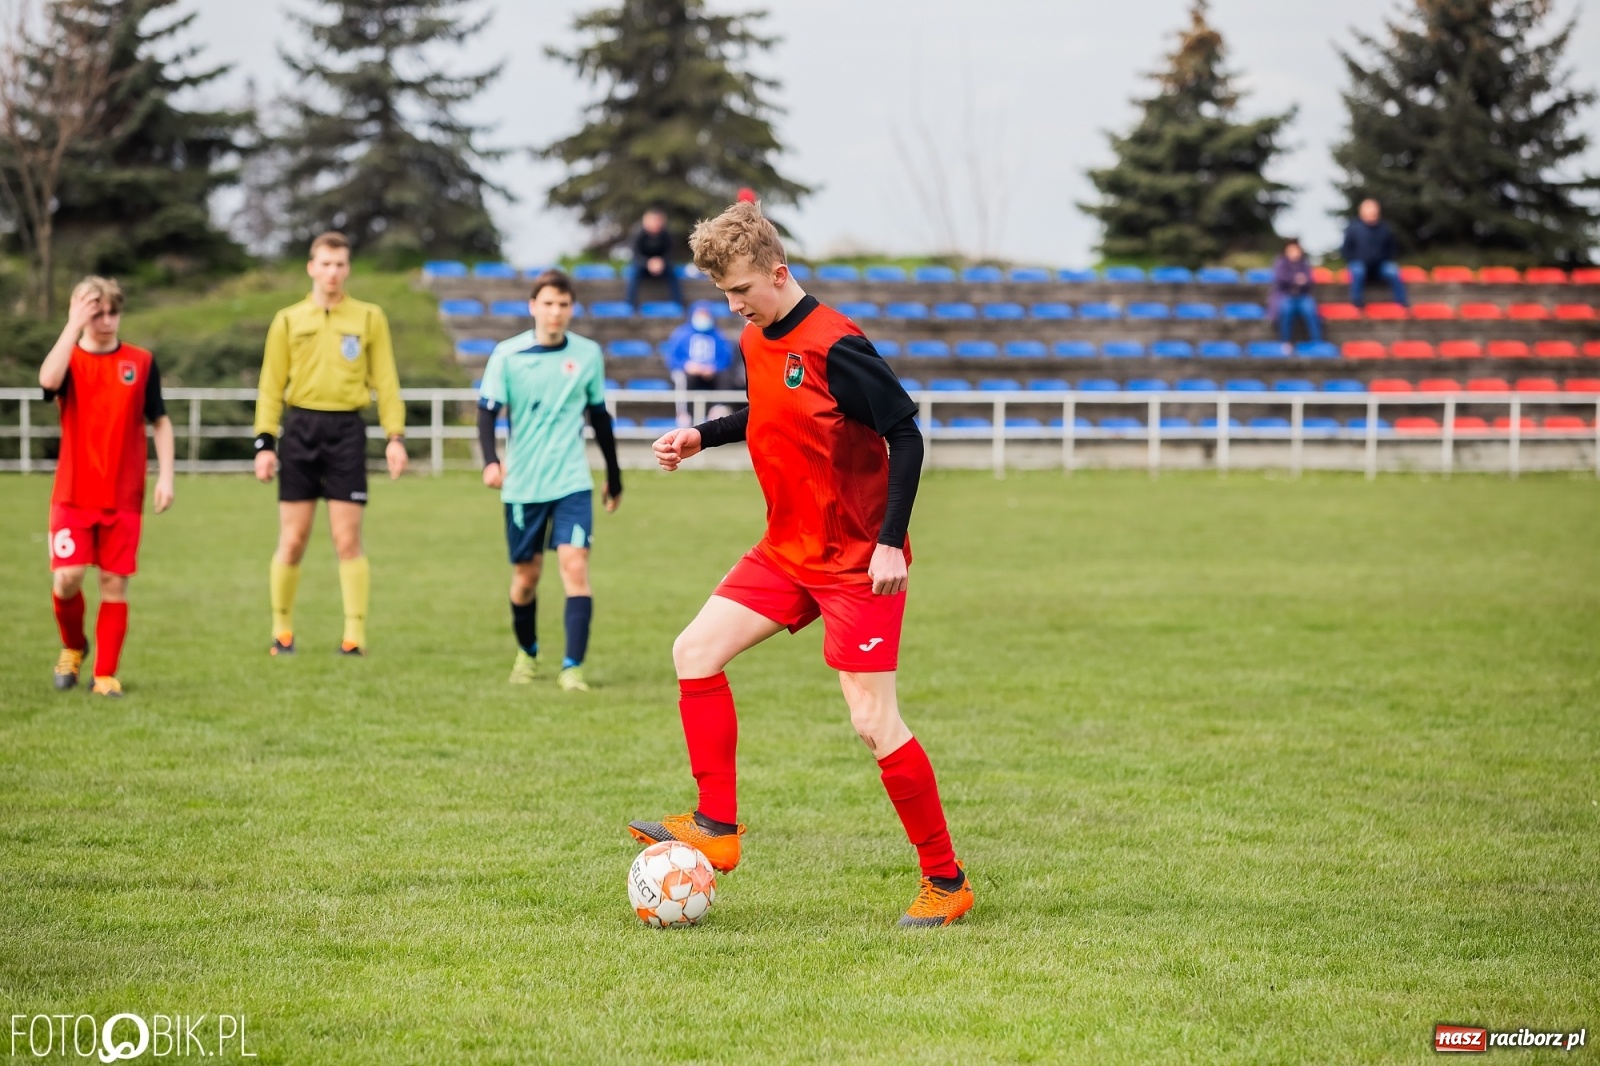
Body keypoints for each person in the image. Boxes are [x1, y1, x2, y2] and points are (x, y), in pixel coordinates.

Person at [627, 201, 973, 928]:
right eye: (725, 295)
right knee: (694, 652)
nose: (734, 306)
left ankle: (945, 881)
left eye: (743, 291)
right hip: (787, 549)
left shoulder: (837, 346)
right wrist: (701, 435)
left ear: (778, 273)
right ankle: (716, 827)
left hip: (856, 561)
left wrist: (889, 539)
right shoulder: (756, 340)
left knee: (873, 721)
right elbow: (767, 411)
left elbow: (905, 436)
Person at [253, 232, 407, 657]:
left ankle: (354, 635)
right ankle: (281, 632)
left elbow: (386, 380)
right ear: (311, 267)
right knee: (293, 538)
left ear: (348, 268)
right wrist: (264, 443)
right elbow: (270, 384)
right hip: (299, 430)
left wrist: (395, 436)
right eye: (325, 263)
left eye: (340, 264)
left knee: (346, 539)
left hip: (347, 433)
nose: (333, 272)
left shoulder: (369, 317)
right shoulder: (288, 319)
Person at [477, 269, 623, 691]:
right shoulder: (507, 355)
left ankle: (572, 667)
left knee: (574, 566)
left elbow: (599, 417)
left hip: (572, 481)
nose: (555, 312)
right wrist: (491, 461)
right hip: (523, 484)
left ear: (571, 309)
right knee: (526, 579)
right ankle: (527, 652)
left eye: (563, 304)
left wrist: (614, 476)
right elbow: (486, 412)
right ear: (532, 307)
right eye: (548, 304)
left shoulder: (588, 355)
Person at [40, 277, 175, 698]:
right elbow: (47, 381)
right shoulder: (69, 361)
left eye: (111, 312)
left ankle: (105, 674)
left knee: (114, 584)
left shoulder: (141, 362)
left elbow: (160, 420)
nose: (104, 320)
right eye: (94, 313)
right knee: (67, 578)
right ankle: (73, 646)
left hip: (123, 494)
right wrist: (71, 327)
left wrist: (166, 475)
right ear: (79, 313)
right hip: (73, 493)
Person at [661, 300, 737, 426]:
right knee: (683, 378)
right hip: (689, 373)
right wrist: (686, 365)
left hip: (711, 374)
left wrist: (714, 368)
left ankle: (718, 410)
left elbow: (726, 358)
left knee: (724, 377)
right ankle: (684, 414)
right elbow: (672, 357)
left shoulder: (718, 335)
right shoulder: (682, 334)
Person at [1340, 199, 1409, 308]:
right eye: (1367, 208)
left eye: (1373, 208)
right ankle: (1357, 303)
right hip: (1360, 265)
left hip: (1379, 267)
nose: (1370, 211)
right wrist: (1355, 259)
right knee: (1358, 270)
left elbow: (1392, 248)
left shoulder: (1386, 228)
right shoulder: (1353, 229)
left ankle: (1402, 304)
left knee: (1393, 270)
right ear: (1361, 211)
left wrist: (1382, 259)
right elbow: (1345, 250)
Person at [624, 208, 685, 309]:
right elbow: (635, 254)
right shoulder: (637, 233)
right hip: (642, 265)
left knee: (673, 274)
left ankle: (678, 305)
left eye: (658, 221)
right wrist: (648, 263)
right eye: (653, 221)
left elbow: (670, 252)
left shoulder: (667, 234)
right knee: (633, 274)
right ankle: (631, 306)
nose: (655, 224)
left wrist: (662, 262)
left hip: (662, 265)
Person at [1270, 238, 1322, 350]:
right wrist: (1295, 279)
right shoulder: (1281, 263)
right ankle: (1286, 342)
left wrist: (1300, 281)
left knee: (1311, 311)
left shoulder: (1305, 264)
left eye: (1296, 250)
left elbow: (1309, 281)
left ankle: (1317, 342)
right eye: (1291, 250)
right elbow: (1280, 279)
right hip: (1286, 295)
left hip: (1302, 296)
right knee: (1286, 311)